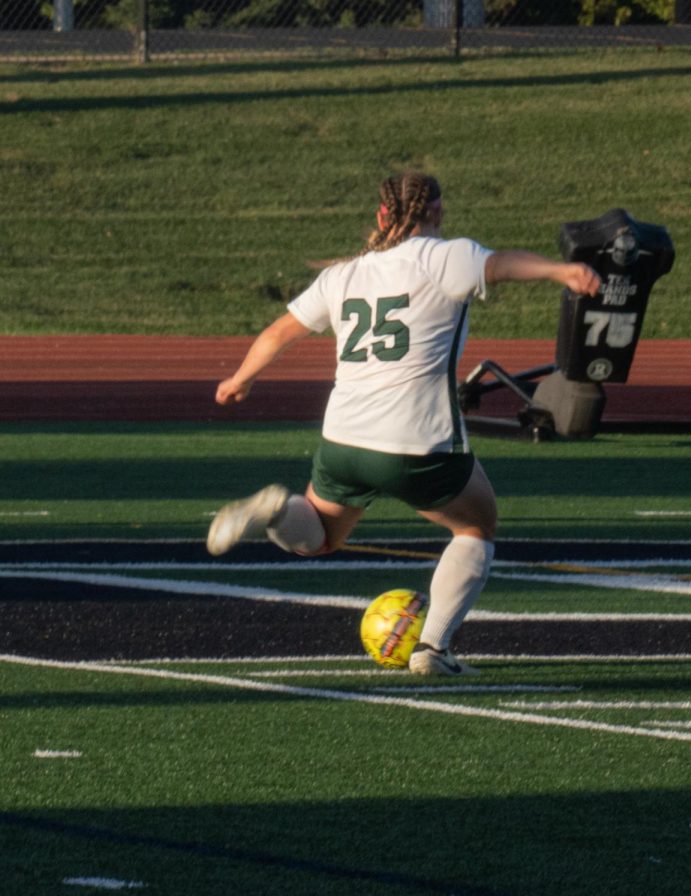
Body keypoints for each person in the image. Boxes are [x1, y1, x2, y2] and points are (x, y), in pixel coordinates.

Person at [206, 171, 601, 676]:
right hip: (417, 438)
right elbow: (499, 265)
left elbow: (280, 330)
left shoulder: (345, 274)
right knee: (477, 527)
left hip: (343, 437)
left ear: (380, 217)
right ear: (436, 213)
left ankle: (280, 510)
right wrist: (559, 272)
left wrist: (241, 378)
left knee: (322, 536)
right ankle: (433, 650)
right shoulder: (442, 256)